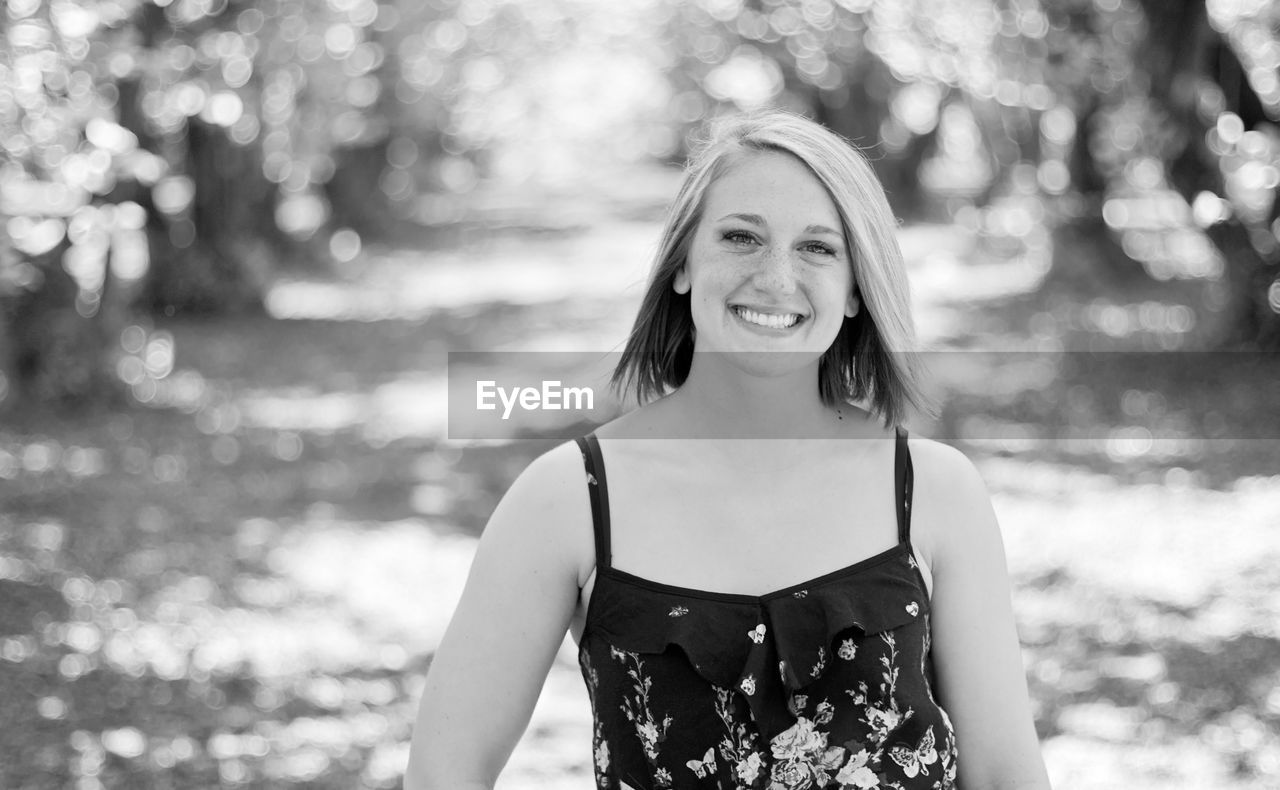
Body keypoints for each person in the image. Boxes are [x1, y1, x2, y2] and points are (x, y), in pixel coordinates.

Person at [405, 110, 1051, 790]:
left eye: (818, 248)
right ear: (683, 263)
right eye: (742, 237)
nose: (776, 278)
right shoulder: (567, 499)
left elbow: (1006, 772)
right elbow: (446, 769)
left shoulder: (934, 490)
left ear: (858, 288)